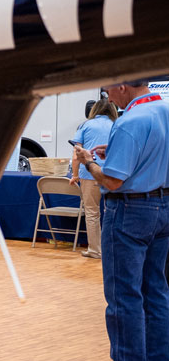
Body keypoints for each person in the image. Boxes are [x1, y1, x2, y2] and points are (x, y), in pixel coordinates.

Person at [72, 79, 169, 361]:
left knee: (124, 295)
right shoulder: (163, 110)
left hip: (130, 211)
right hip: (163, 206)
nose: (105, 94)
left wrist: (89, 162)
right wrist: (115, 152)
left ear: (124, 87)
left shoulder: (130, 120)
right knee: (156, 291)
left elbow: (111, 181)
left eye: (108, 88)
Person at [69, 96, 119, 260]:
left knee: (92, 213)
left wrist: (75, 175)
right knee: (112, 212)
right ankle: (112, 249)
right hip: (113, 174)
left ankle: (95, 250)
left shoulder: (85, 125)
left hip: (89, 173)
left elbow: (77, 155)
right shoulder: (117, 125)